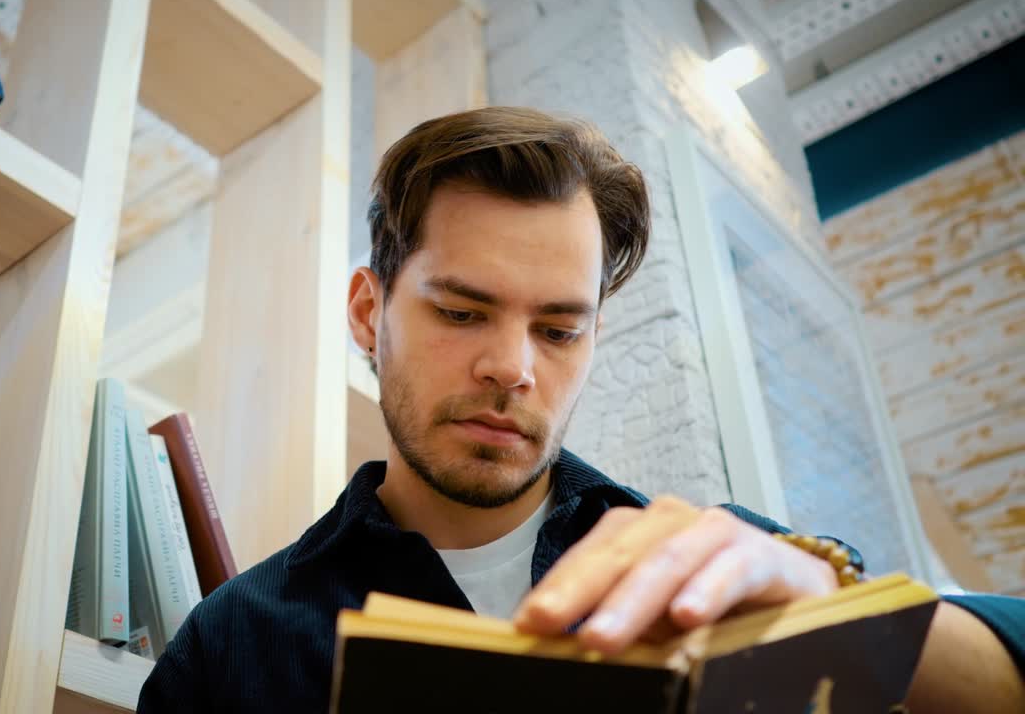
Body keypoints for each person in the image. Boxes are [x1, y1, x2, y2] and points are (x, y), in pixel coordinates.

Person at [137, 107, 1024, 713]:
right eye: (460, 312)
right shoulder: (233, 647)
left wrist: (852, 620)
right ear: (370, 313)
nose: (512, 368)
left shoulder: (725, 572)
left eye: (559, 330)